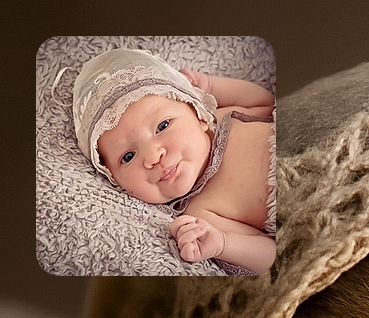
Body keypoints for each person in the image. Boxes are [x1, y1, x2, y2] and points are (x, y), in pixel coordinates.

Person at [73, 48, 275, 274]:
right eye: (128, 157)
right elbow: (272, 254)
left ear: (198, 114)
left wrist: (209, 85)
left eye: (162, 126)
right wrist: (222, 244)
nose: (153, 156)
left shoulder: (226, 117)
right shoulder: (201, 214)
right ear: (116, 181)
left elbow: (267, 101)